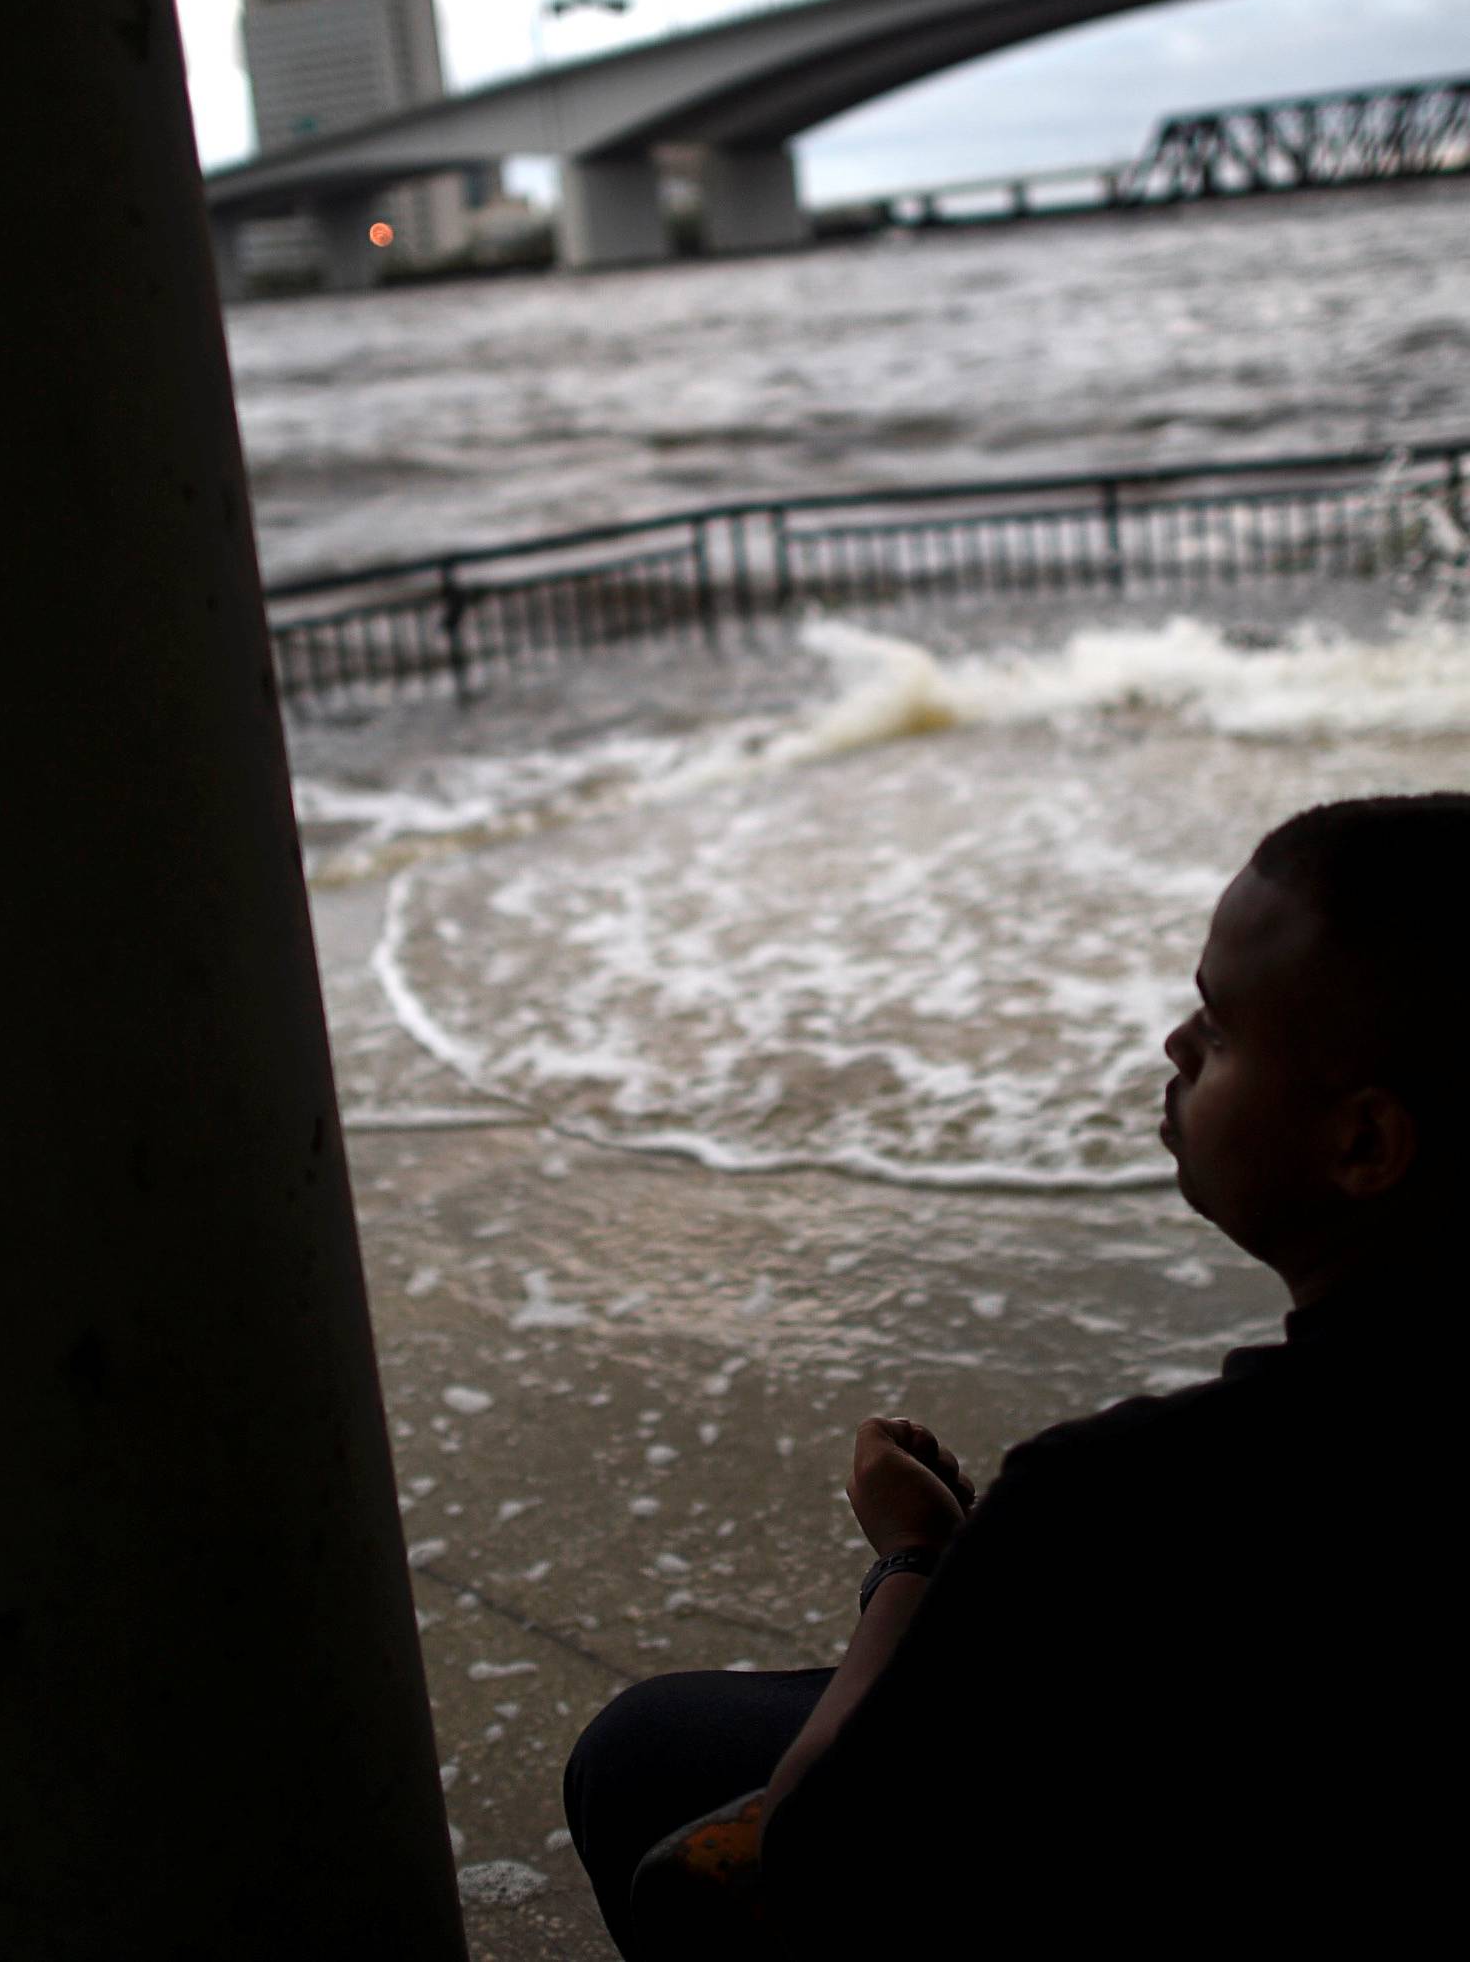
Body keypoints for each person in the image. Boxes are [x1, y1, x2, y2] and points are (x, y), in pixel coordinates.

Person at [563, 793, 1466, 1957]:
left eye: (1221, 1026)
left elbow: (802, 1858)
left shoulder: (1125, 1500)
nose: (1175, 1047)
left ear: (1364, 1144)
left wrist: (915, 1559)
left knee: (638, 1752)